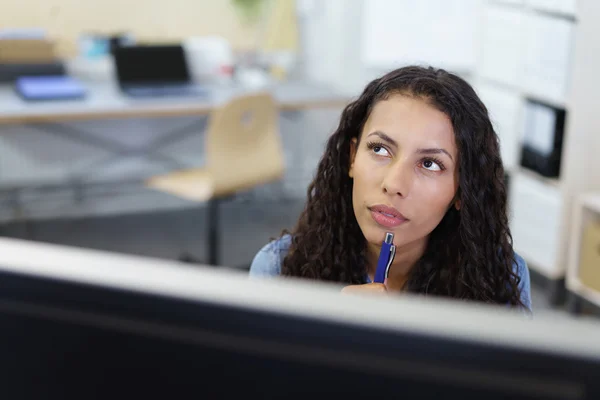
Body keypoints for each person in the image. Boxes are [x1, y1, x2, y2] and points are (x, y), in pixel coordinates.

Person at [250, 66, 531, 310]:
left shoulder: (501, 277)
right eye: (380, 149)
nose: (394, 184)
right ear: (352, 157)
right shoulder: (278, 267)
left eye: (430, 164)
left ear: (461, 191)